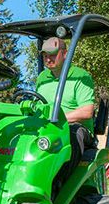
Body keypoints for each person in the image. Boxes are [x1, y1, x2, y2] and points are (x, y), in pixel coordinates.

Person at [36, 37, 95, 177]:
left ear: (65, 54)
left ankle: (60, 183)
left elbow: (87, 111)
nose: (48, 59)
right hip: (49, 127)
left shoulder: (80, 76)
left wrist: (58, 119)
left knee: (72, 133)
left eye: (52, 55)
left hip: (76, 127)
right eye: (45, 56)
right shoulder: (42, 78)